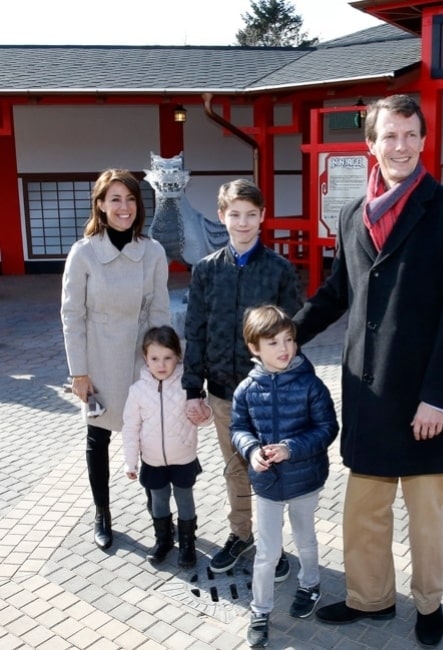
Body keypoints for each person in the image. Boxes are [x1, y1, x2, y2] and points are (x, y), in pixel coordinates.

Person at [292, 94, 443, 647]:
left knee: (425, 519)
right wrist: (287, 335)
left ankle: (428, 605)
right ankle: (370, 599)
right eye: (388, 136)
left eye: (409, 134)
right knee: (364, 515)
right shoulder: (353, 213)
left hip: (427, 397)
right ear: (371, 145)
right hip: (369, 392)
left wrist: (440, 396)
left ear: (423, 141)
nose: (399, 145)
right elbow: (338, 292)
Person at [182, 178, 303, 580]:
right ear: (222, 217)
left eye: (251, 214)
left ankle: (273, 543)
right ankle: (240, 533)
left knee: (269, 467)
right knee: (236, 467)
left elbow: (292, 335)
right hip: (220, 391)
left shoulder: (280, 270)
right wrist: (191, 389)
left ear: (262, 217)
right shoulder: (205, 271)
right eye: (235, 214)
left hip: (266, 392)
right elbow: (195, 330)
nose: (243, 222)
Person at [61, 169, 170, 551]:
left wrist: (166, 364)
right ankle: (102, 511)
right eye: (115, 199)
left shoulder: (153, 251)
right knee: (99, 438)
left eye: (130, 199)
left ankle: (157, 510)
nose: (124, 207)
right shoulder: (84, 253)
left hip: (142, 357)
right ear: (101, 206)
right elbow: (72, 315)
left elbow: (159, 310)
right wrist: (79, 373)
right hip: (99, 358)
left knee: (149, 438)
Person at [230, 305, 338, 648]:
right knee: (267, 552)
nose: (284, 348)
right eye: (273, 342)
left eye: (288, 339)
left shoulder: (310, 384)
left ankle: (310, 584)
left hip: (305, 479)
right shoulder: (246, 389)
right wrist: (251, 451)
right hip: (267, 485)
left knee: (306, 539)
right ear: (254, 348)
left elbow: (327, 427)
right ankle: (260, 610)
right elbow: (239, 428)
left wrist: (291, 447)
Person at [122, 325, 211, 568]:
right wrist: (131, 461)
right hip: (152, 461)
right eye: (154, 358)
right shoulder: (137, 391)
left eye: (167, 358)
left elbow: (206, 415)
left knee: (185, 500)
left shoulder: (187, 384)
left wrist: (204, 414)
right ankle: (163, 541)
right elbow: (130, 428)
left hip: (183, 457)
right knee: (158, 501)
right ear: (145, 359)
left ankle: (188, 544)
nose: (161, 364)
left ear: (178, 357)